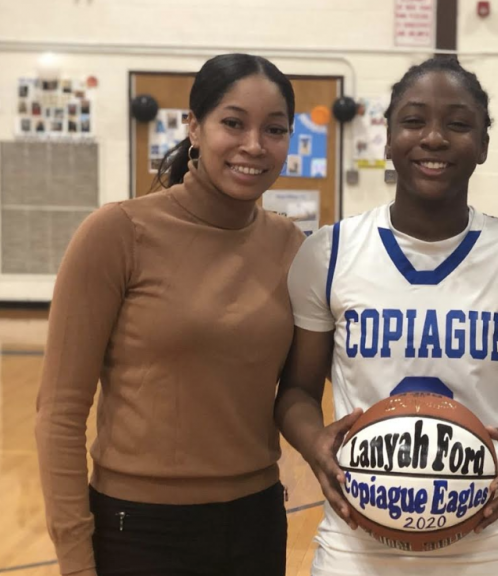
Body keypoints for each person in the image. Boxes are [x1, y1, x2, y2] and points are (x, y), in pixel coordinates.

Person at [274, 56, 498, 576]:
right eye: (413, 121)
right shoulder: (329, 253)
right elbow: (296, 391)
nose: (433, 138)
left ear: (483, 145)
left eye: (458, 124)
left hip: (493, 541)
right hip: (358, 542)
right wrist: (314, 443)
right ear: (387, 139)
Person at [35, 53, 303, 576]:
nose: (254, 145)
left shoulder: (289, 244)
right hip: (140, 529)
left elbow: (297, 391)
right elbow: (59, 413)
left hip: (257, 521)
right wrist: (75, 561)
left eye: (274, 129)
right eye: (233, 123)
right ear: (193, 127)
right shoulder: (118, 233)